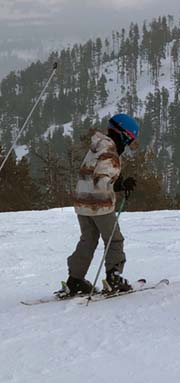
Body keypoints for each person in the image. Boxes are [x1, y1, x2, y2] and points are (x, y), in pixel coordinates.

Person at [65, 114, 138, 295]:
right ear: (123, 135)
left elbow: (91, 174)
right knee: (114, 239)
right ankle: (113, 278)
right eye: (129, 141)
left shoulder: (96, 148)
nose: (127, 146)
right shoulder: (110, 152)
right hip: (99, 204)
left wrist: (116, 183)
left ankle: (74, 280)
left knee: (88, 240)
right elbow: (101, 179)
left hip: (82, 202)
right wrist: (119, 185)